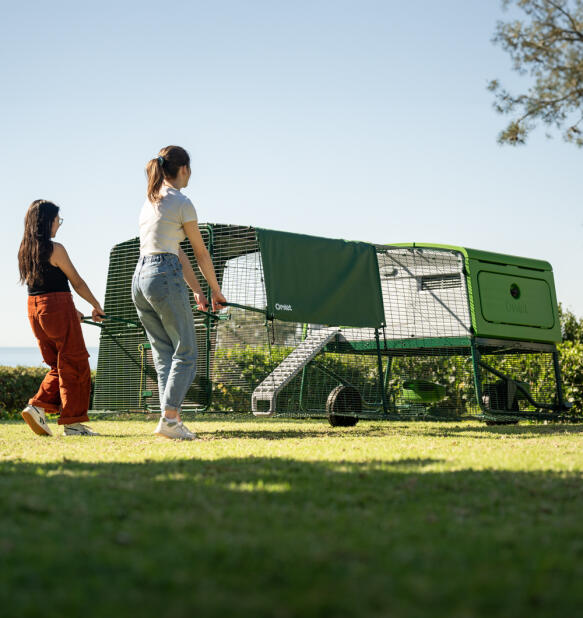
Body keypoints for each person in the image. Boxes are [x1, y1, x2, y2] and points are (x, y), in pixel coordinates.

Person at [132, 145, 226, 440]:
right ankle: (170, 418)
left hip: (141, 278)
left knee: (164, 354)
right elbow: (200, 253)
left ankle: (169, 418)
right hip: (162, 276)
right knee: (186, 351)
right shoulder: (182, 202)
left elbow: (176, 252)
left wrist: (198, 290)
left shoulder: (150, 201)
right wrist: (216, 291)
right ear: (183, 169)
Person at [17, 200, 105, 436]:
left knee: (58, 365)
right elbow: (76, 282)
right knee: (75, 364)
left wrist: (70, 311)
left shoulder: (25, 251)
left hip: (35, 311)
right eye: (58, 220)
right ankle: (73, 424)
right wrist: (96, 306)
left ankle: (37, 407)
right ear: (47, 222)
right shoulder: (55, 249)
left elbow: (43, 290)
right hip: (56, 308)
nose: (59, 224)